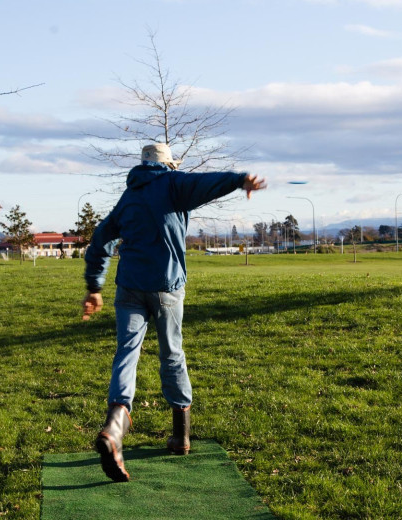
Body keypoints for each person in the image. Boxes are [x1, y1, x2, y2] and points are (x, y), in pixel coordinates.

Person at [82, 143, 266, 482]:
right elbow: (206, 183)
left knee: (126, 355)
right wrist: (240, 179)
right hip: (166, 287)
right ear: (168, 165)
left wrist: (95, 287)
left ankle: (113, 429)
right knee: (172, 356)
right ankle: (181, 437)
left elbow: (100, 241)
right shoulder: (174, 184)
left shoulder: (128, 198)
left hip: (129, 288)